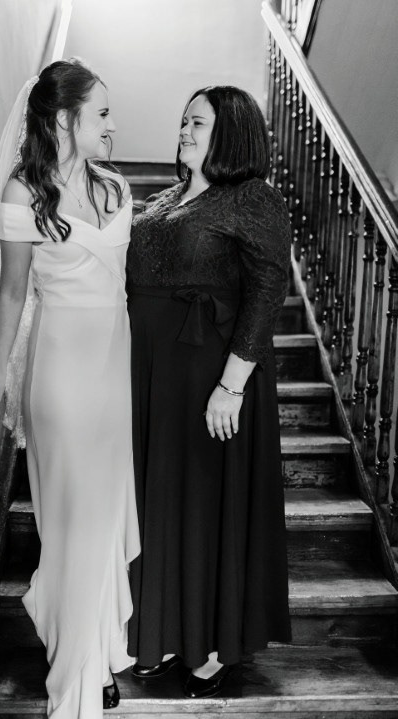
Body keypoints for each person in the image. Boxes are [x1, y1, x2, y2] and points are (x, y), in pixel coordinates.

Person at [0, 58, 140, 718]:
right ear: (64, 119)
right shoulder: (21, 194)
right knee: (74, 522)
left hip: (114, 370)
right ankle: (78, 678)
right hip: (61, 372)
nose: (112, 126)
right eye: (102, 114)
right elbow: (11, 292)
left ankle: (95, 647)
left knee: (103, 517)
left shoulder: (116, 187)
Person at [126, 85, 292, 699]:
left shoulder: (253, 197)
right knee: (162, 501)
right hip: (156, 376)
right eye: (183, 121)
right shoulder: (163, 199)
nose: (183, 130)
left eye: (197, 122)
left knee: (204, 507)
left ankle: (213, 647)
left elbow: (267, 290)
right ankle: (165, 634)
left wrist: (232, 385)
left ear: (232, 132)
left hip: (212, 377)